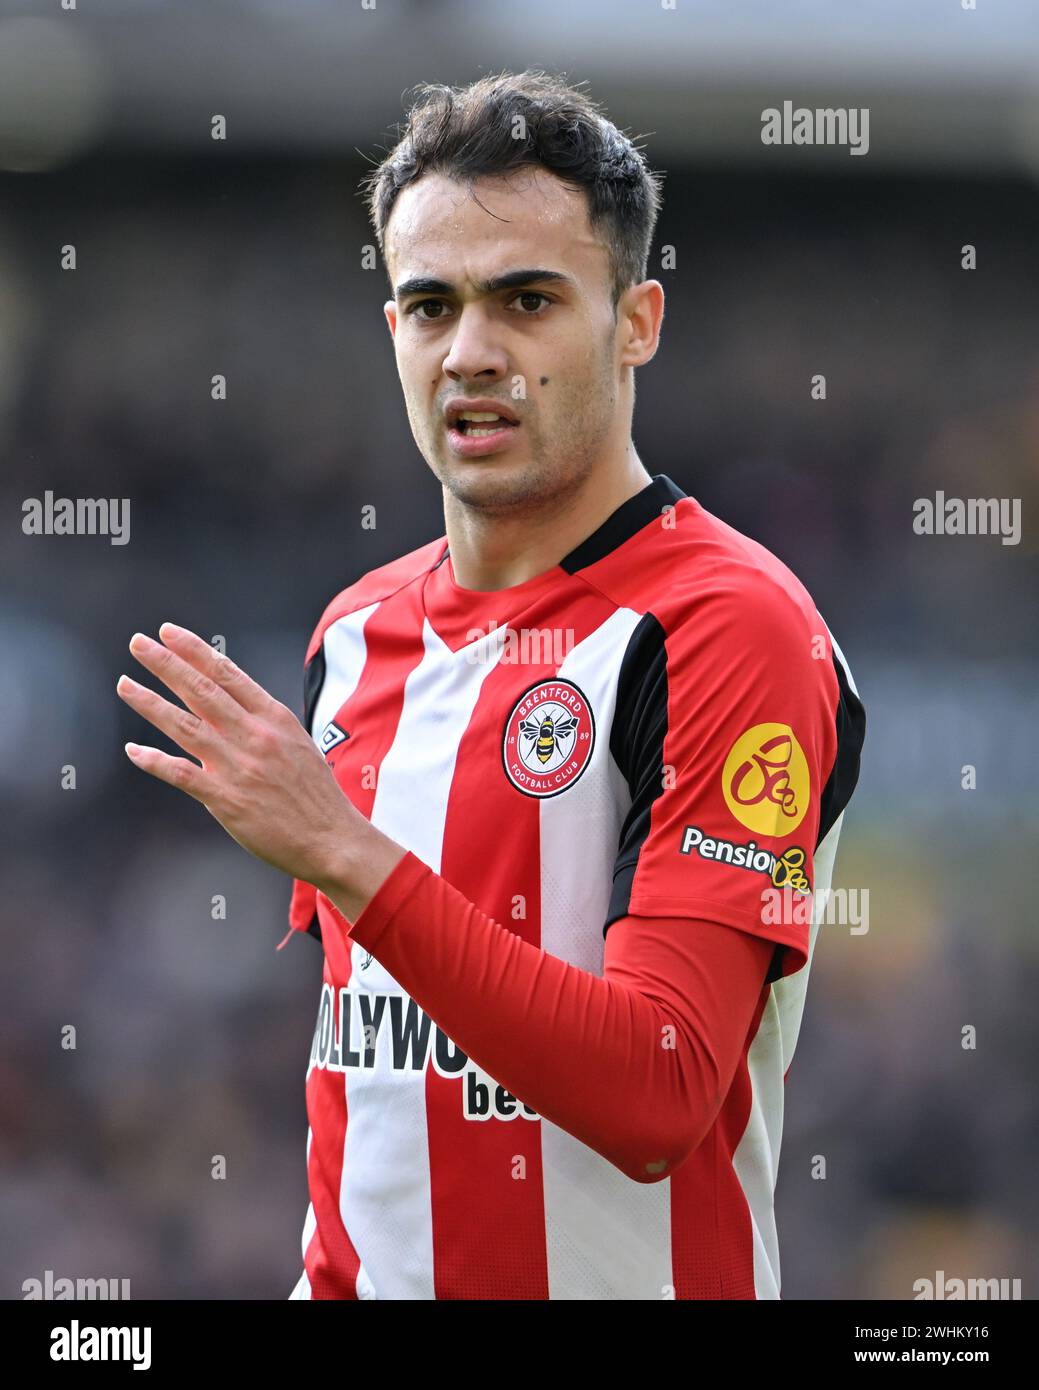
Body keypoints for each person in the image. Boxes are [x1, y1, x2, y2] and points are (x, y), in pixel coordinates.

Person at [117, 70, 865, 1300]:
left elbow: (658, 1091)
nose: (471, 352)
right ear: (395, 333)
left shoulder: (724, 625)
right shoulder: (355, 635)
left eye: (527, 300)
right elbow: (374, 1078)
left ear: (636, 321)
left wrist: (346, 853)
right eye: (431, 306)